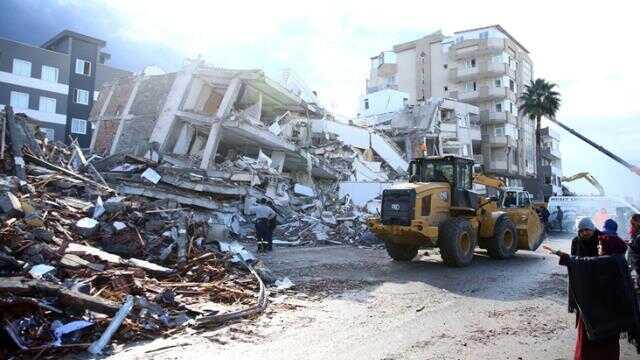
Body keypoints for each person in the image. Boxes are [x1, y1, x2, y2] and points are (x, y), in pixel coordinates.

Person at [543, 219, 640, 359]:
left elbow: (602, 263)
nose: (584, 233)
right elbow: (579, 265)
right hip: (588, 299)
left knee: (608, 340)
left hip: (608, 301)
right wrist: (565, 257)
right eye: (581, 230)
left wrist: (566, 258)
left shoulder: (606, 242)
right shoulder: (577, 242)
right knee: (587, 341)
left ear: (593, 229)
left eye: (587, 229)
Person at [628, 214, 640, 287]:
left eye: (633, 224)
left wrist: (631, 245)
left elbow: (637, 250)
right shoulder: (635, 234)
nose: (631, 226)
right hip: (636, 266)